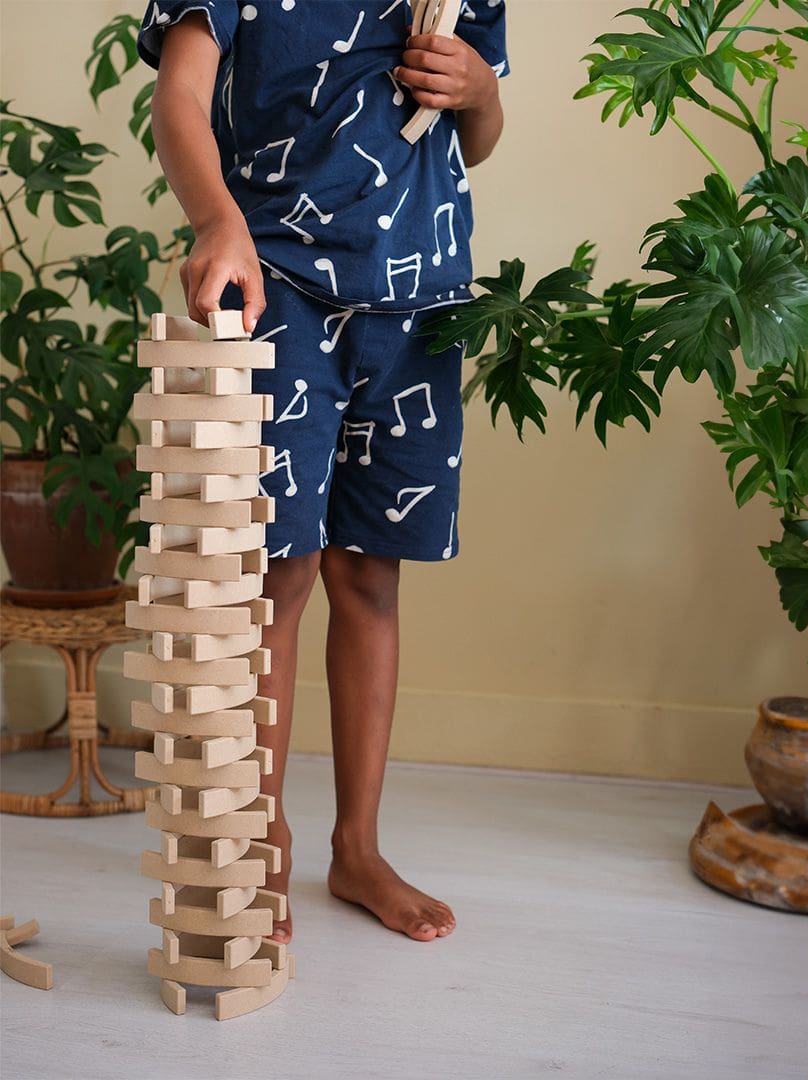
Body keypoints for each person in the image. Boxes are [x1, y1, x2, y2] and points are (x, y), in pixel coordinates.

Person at [137, 0, 508, 944]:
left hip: (418, 299)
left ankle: (358, 847)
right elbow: (177, 94)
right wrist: (216, 219)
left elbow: (476, 141)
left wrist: (481, 88)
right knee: (276, 576)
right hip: (281, 287)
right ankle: (263, 842)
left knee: (369, 574)